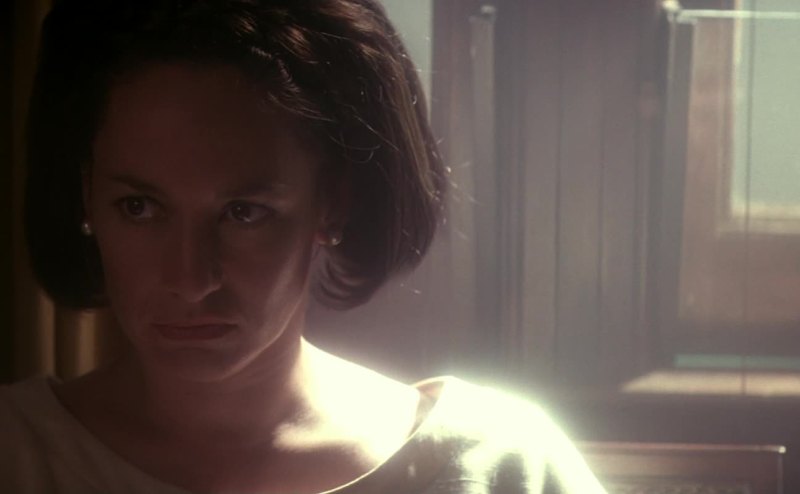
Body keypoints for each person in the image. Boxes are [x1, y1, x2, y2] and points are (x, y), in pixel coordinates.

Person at [2, 0, 607, 492]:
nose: (189, 279)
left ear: (332, 203)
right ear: (86, 197)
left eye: (244, 212)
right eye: (139, 207)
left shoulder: (493, 464)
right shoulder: (17, 453)